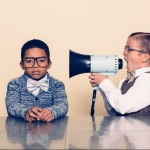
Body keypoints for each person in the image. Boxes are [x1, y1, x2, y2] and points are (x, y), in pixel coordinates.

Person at [6, 39, 68, 122]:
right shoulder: (14, 84)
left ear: (49, 64)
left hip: (51, 132)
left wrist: (52, 112)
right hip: (21, 132)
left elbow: (62, 104)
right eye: (29, 61)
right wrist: (25, 112)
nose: (35, 66)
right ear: (22, 65)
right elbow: (11, 105)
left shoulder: (57, 85)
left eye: (41, 61)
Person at [89, 32, 150, 116]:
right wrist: (102, 87)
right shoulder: (125, 81)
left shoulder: (147, 80)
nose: (124, 53)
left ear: (145, 57)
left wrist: (105, 82)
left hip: (138, 129)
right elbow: (114, 112)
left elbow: (123, 106)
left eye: (129, 49)